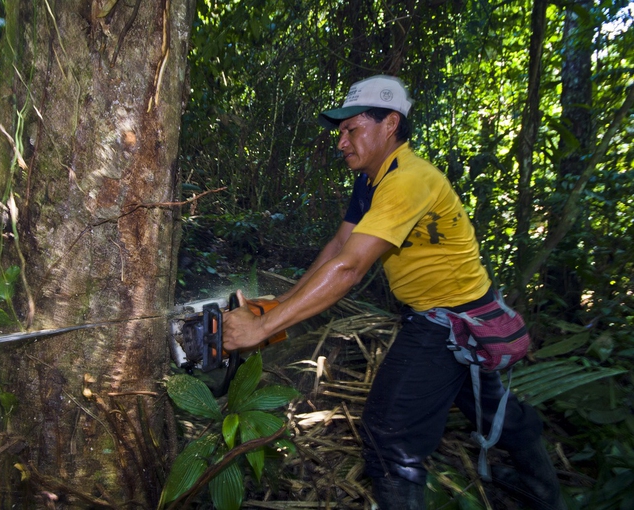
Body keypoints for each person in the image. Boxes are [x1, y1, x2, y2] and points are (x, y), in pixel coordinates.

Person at [222, 75, 565, 509]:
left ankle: (538, 490)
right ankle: (540, 490)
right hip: (446, 311)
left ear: (390, 124)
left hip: (449, 320)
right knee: (485, 406)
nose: (342, 141)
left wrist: (261, 328)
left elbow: (349, 269)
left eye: (353, 129)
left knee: (390, 435)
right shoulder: (371, 180)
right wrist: (277, 307)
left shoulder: (408, 179)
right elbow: (338, 247)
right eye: (341, 131)